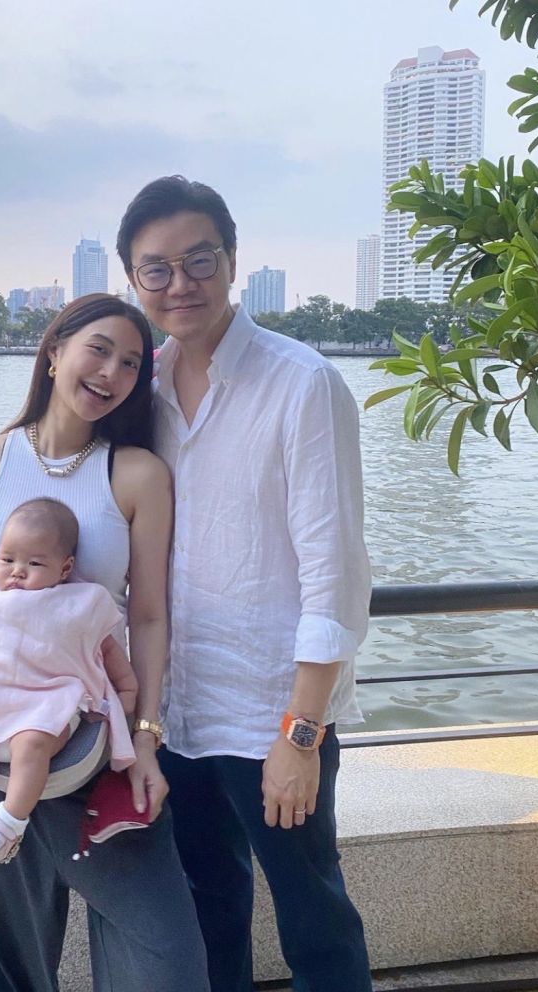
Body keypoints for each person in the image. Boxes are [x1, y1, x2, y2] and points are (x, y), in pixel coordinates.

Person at [117, 177, 374, 992]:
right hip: (177, 714)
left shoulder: (302, 383)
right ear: (133, 279)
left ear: (232, 261)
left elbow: (335, 572)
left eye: (199, 260)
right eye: (156, 269)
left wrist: (301, 736)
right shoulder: (140, 390)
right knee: (208, 921)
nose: (180, 284)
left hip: (272, 714)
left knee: (315, 923)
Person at [0, 293, 210, 992]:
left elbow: (148, 617)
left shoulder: (138, 473)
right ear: (54, 352)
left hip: (94, 745)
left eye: (132, 363)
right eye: (99, 350)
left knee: (167, 962)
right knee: (8, 967)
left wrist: (146, 740)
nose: (112, 372)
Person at [0, 498, 138, 877]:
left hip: (48, 703)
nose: (17, 571)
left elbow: (106, 648)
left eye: (34, 564)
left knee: (31, 745)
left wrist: (128, 690)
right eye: (8, 559)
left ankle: (5, 829)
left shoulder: (79, 601)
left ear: (65, 568)